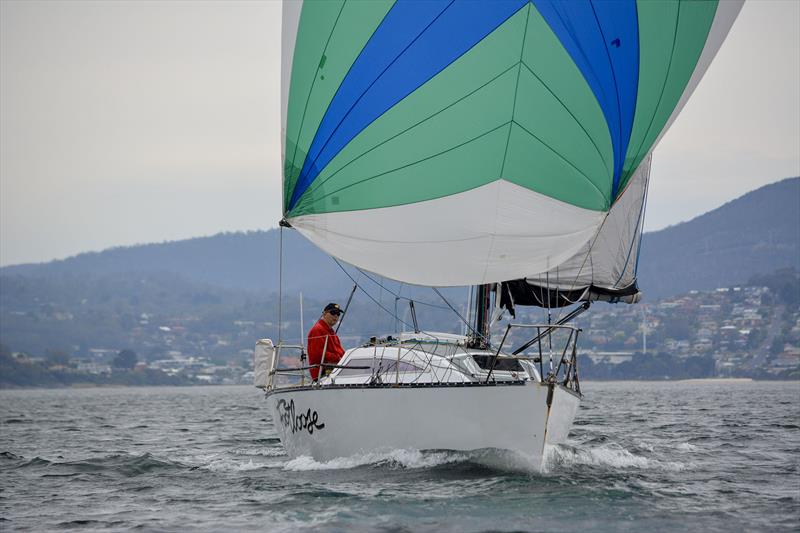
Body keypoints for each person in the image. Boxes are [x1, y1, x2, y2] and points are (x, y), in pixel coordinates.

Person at [307, 303, 345, 381]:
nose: (336, 316)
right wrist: (339, 358)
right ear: (324, 313)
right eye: (333, 313)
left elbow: (340, 351)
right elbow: (317, 354)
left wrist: (346, 358)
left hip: (334, 370)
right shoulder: (317, 330)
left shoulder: (330, 331)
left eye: (338, 314)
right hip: (323, 373)